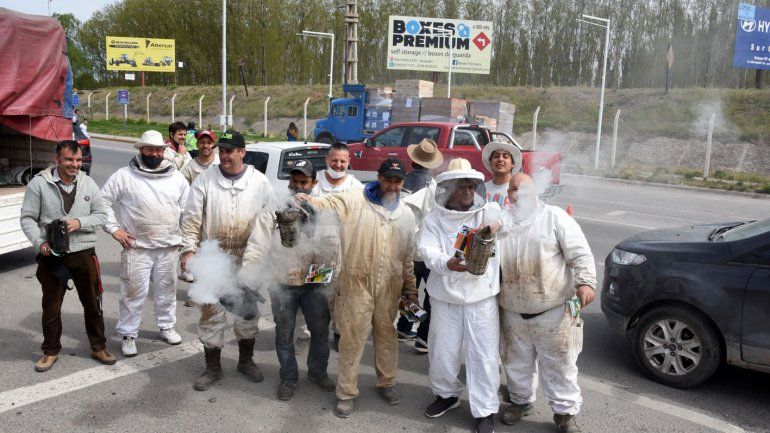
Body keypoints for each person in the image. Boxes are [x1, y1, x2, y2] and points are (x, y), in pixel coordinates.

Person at [294, 157, 417, 418]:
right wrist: (309, 200)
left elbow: (407, 256)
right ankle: (346, 393)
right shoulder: (354, 199)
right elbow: (329, 203)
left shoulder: (405, 214)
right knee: (351, 339)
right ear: (379, 177)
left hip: (390, 287)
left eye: (398, 181)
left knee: (387, 336)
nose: (392, 185)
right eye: (388, 179)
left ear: (402, 183)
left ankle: (387, 383)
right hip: (355, 283)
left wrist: (411, 288)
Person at [497, 173, 596, 432]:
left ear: (535, 191)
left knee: (560, 366)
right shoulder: (502, 221)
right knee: (515, 362)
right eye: (512, 190)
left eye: (522, 189)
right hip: (512, 312)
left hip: (553, 312)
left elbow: (581, 253)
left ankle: (565, 414)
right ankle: (520, 402)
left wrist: (585, 283)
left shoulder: (554, 217)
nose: (517, 195)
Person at [180, 130, 276, 392]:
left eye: (230, 151)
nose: (224, 155)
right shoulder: (205, 180)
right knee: (211, 314)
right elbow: (191, 219)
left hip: (249, 258)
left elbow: (269, 222)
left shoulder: (259, 182)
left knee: (247, 315)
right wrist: (188, 250)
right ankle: (213, 367)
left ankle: (246, 361)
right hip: (213, 258)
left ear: (242, 153)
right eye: (222, 150)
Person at [419, 158, 502, 433]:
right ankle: (447, 395)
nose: (467, 191)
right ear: (448, 188)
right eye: (461, 186)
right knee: (443, 352)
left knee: (483, 355)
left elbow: (505, 221)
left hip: (481, 298)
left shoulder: (487, 211)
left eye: (471, 186)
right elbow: (427, 250)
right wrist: (446, 263)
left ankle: (485, 410)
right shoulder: (433, 218)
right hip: (444, 298)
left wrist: (493, 227)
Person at [242, 159, 336, 401]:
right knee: (285, 335)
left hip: (315, 282)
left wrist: (326, 274)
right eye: (294, 181)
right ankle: (288, 378)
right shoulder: (273, 210)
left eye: (303, 181)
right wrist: (248, 275)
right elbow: (258, 244)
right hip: (282, 280)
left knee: (320, 332)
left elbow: (333, 247)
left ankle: (317, 372)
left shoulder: (324, 209)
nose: (298, 186)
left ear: (314, 183)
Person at [19, 140, 116, 372]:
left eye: (78, 160)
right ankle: (50, 350)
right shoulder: (39, 184)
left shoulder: (89, 183)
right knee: (51, 306)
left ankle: (98, 346)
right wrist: (40, 243)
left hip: (84, 253)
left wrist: (79, 222)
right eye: (69, 160)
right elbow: (27, 218)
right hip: (51, 255)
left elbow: (102, 215)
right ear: (57, 160)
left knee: (93, 304)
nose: (75, 164)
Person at [101, 130, 190, 357]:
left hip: (169, 245)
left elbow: (188, 213)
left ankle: (166, 326)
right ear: (140, 150)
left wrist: (188, 245)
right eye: (149, 149)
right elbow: (102, 203)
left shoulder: (176, 177)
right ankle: (129, 334)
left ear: (164, 151)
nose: (154, 153)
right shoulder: (123, 176)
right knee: (133, 293)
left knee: (167, 291)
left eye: (158, 149)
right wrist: (115, 230)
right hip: (137, 247)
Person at [311, 141, 364, 351]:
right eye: (334, 160)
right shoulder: (314, 184)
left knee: (342, 297)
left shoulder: (356, 187)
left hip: (346, 253)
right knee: (318, 294)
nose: (338, 164)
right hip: (317, 253)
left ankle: (339, 333)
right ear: (326, 160)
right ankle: (315, 333)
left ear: (349, 161)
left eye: (343, 161)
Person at [398, 138, 443, 353]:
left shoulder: (401, 181)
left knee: (409, 292)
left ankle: (405, 326)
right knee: (432, 295)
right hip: (426, 249)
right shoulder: (433, 187)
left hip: (404, 248)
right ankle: (423, 337)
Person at [178, 130, 220, 290]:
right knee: (197, 254)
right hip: (197, 219)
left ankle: (216, 291)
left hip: (218, 216)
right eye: (202, 142)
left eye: (209, 142)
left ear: (213, 145)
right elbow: (181, 193)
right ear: (197, 144)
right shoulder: (189, 169)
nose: (206, 145)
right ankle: (197, 292)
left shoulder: (220, 164)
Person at [481, 141, 522, 207]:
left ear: (512, 164)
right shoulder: (482, 189)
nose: (500, 159)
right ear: (490, 163)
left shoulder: (521, 190)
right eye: (496, 156)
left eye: (505, 156)